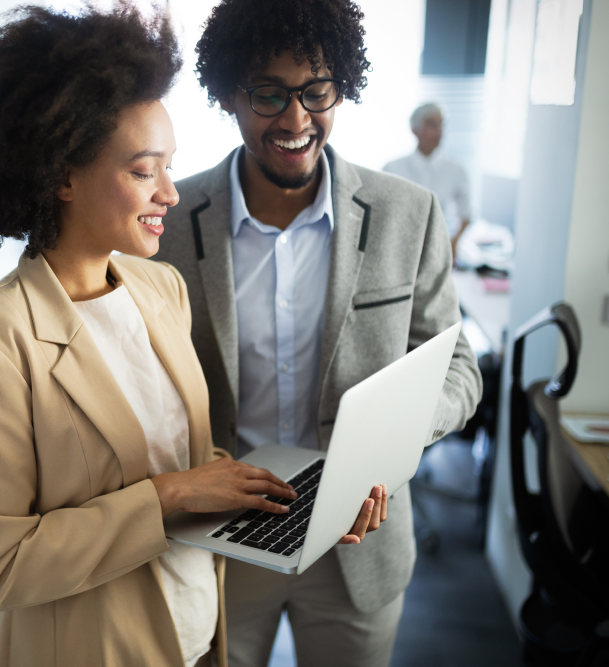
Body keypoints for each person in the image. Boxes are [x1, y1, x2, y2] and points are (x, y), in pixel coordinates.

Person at [0, 6, 386, 667]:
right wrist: (167, 498)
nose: (171, 193)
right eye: (145, 171)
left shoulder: (159, 289)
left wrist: (308, 503)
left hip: (200, 634)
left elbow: (190, 462)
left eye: (170, 166)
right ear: (61, 174)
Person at [153, 2, 483, 666]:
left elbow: (459, 367)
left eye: (316, 91)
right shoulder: (167, 220)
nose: (297, 120)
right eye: (270, 94)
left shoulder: (406, 214)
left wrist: (395, 438)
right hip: (218, 537)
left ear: (342, 87)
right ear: (229, 94)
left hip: (358, 544)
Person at [383, 103, 472, 260]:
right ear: (415, 129)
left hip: (438, 250)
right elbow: (382, 213)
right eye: (432, 125)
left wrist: (453, 244)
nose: (439, 131)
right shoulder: (392, 168)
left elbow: (466, 214)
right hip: (399, 251)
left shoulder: (456, 169)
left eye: (441, 124)